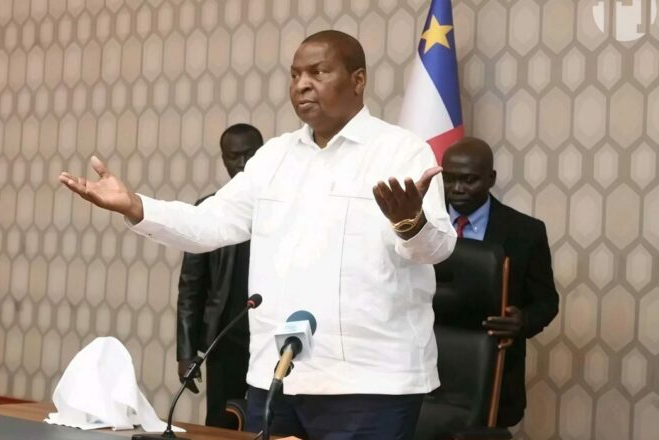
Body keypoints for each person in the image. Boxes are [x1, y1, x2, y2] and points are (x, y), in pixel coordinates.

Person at [60, 30, 456, 439]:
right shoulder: (274, 157)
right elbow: (209, 223)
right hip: (276, 376)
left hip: (370, 384)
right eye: (295, 74)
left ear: (358, 80)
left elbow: (439, 247)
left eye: (318, 72)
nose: (302, 85)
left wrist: (410, 223)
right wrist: (136, 205)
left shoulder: (400, 151)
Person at [441, 137, 559, 427]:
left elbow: (547, 301)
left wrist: (523, 320)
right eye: (449, 179)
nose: (457, 188)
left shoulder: (525, 232)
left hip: (494, 372)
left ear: (490, 178)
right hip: (425, 369)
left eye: (469, 180)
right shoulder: (422, 223)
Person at [176, 123, 264, 428]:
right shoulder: (210, 209)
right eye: (233, 156)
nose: (241, 163)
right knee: (221, 423)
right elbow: (191, 287)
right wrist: (186, 352)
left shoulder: (282, 208)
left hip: (271, 339)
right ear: (223, 158)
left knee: (269, 423)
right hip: (226, 340)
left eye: (249, 155)